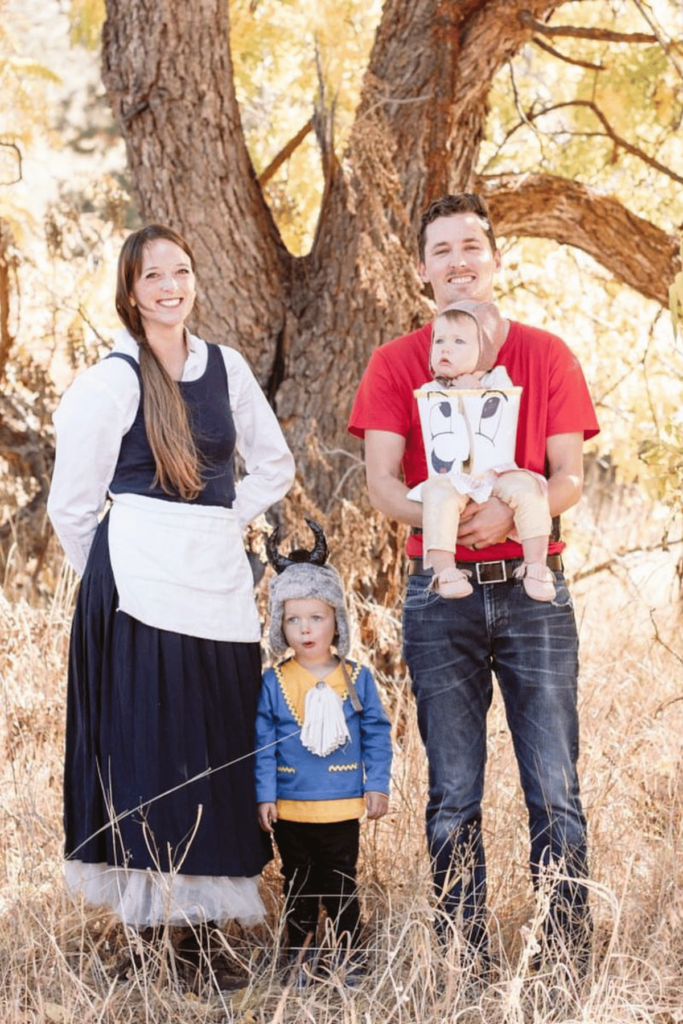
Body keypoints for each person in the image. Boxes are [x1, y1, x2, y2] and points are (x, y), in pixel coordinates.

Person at [348, 193, 599, 971]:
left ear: (494, 258)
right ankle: (463, 956)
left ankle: (561, 958)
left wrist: (506, 520)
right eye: (441, 251)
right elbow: (382, 482)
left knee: (553, 784)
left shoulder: (546, 354)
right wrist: (447, 525)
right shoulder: (395, 363)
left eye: (471, 247)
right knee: (453, 790)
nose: (458, 262)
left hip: (533, 588)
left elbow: (568, 477)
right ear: (421, 269)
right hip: (439, 589)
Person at [47, 224, 295, 989]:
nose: (169, 286)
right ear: (130, 291)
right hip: (136, 594)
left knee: (217, 751)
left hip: (218, 584)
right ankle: (156, 941)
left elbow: (274, 464)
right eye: (152, 275)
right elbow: (72, 506)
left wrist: (221, 519)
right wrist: (113, 583)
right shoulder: (112, 381)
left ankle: (209, 935)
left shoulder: (226, 367)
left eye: (180, 271)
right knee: (151, 757)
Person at [254, 519, 392, 987]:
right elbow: (264, 743)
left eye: (316, 617)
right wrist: (265, 795)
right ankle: (296, 958)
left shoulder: (356, 677)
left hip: (339, 804)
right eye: (293, 619)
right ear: (279, 625)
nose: (305, 629)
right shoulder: (274, 682)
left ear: (337, 620)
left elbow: (376, 732)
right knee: (296, 882)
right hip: (292, 806)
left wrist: (375, 785)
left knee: (340, 883)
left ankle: (348, 958)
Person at [416, 301, 555, 602]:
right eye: (439, 341)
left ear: (484, 352)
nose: (445, 349)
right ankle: (444, 571)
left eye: (458, 341)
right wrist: (452, 391)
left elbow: (497, 408)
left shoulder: (497, 379)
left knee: (529, 489)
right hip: (454, 475)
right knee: (436, 495)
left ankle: (536, 565)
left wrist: (475, 390)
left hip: (496, 470)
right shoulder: (431, 389)